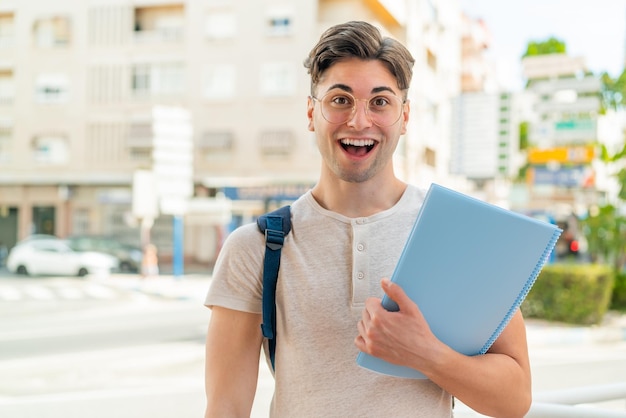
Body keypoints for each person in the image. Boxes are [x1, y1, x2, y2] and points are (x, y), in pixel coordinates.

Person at [204, 21, 531, 418]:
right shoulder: (255, 247)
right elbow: (226, 408)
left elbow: (514, 400)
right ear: (312, 112)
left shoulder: (458, 233)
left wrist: (427, 355)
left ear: (404, 117)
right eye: (340, 100)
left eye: (380, 102)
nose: (359, 121)